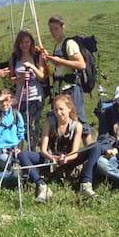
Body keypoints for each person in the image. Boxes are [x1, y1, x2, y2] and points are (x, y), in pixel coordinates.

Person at [17, 94, 99, 202]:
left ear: (69, 109)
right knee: (23, 154)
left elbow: (75, 152)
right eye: (56, 110)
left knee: (95, 147)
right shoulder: (49, 123)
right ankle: (41, 185)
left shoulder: (77, 126)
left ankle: (86, 184)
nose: (58, 113)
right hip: (50, 159)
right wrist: (52, 158)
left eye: (61, 109)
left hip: (69, 159)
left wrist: (66, 158)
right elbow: (43, 149)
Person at [41, 15, 92, 145]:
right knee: (64, 120)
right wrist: (49, 58)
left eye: (56, 28)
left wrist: (58, 60)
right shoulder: (58, 45)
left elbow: (81, 64)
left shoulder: (69, 43)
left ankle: (91, 153)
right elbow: (59, 67)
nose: (53, 32)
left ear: (63, 27)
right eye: (51, 29)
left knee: (79, 119)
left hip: (71, 88)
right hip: (61, 89)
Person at [9, 30, 45, 149]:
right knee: (21, 125)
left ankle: (32, 150)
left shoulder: (36, 56)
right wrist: (20, 78)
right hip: (20, 97)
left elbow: (42, 76)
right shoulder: (14, 57)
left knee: (33, 125)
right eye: (21, 43)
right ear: (18, 44)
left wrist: (32, 67)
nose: (24, 45)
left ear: (31, 42)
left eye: (27, 42)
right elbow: (11, 79)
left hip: (35, 96)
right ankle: (20, 151)